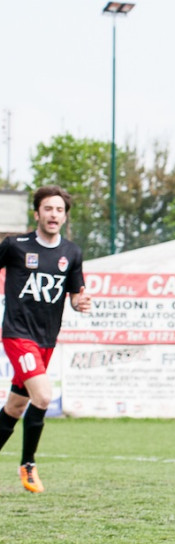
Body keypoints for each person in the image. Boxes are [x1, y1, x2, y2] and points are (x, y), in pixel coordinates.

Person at [0, 185, 91, 493]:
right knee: (42, 397)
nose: (54, 214)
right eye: (48, 209)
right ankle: (28, 465)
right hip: (17, 335)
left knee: (14, 407)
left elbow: (76, 295)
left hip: (46, 341)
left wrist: (81, 303)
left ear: (65, 217)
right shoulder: (15, 246)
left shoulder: (72, 253)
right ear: (36, 213)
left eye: (59, 210)